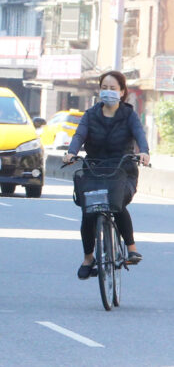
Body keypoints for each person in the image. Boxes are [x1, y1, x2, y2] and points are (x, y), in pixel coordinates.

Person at [63, 71, 150, 280]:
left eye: (113, 88)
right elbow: (79, 135)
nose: (108, 92)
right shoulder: (91, 115)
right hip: (95, 171)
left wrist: (144, 152)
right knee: (89, 211)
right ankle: (88, 258)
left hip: (123, 170)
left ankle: (131, 248)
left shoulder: (129, 115)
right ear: (99, 90)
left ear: (122, 92)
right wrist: (71, 152)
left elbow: (139, 134)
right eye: (105, 88)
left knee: (117, 202)